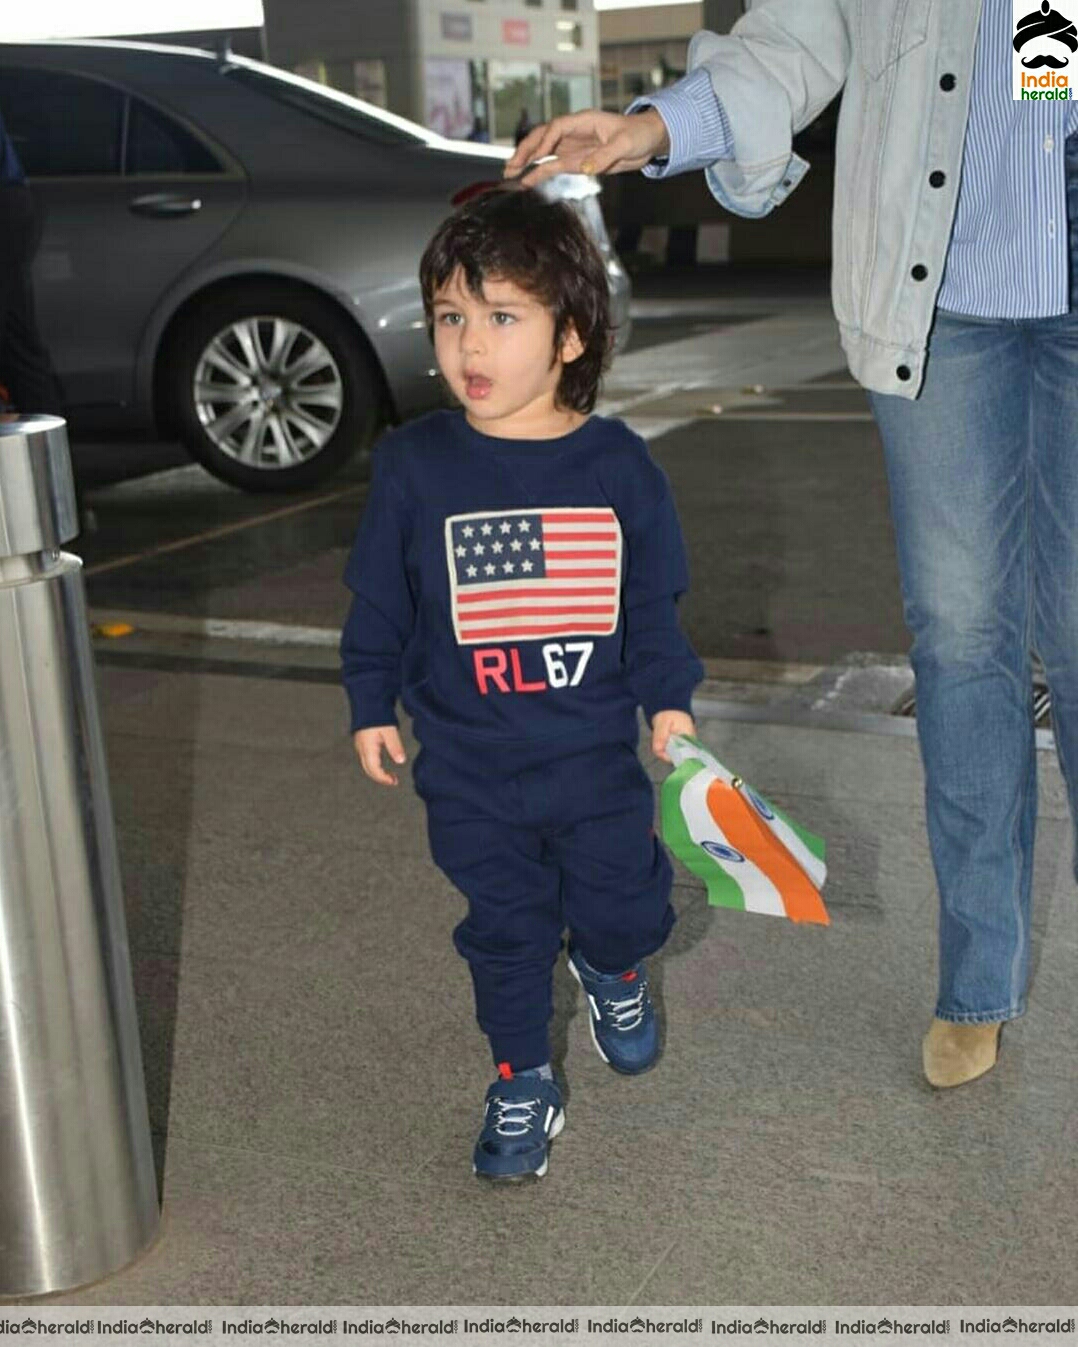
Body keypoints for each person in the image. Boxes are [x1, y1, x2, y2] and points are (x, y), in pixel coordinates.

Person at [507, 0, 1077, 1091]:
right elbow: (798, 37)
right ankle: (978, 980)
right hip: (942, 301)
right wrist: (652, 127)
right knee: (962, 638)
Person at [340, 187, 702, 1180]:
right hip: (469, 772)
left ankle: (612, 965)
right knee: (503, 934)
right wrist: (370, 701)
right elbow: (379, 602)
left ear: (571, 338)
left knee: (628, 904)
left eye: (503, 318)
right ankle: (521, 1080)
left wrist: (670, 702)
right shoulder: (415, 466)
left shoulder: (619, 468)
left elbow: (650, 611)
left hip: (593, 766)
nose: (471, 346)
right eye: (451, 317)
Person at [0, 103, 59, 417]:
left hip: (4, 203)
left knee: (18, 342)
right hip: (10, 201)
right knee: (18, 342)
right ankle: (47, 454)